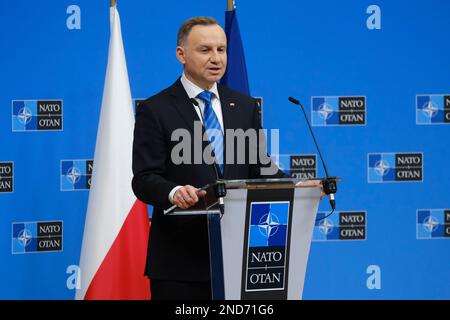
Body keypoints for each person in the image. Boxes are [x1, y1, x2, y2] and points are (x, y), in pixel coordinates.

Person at [132, 16, 285, 300]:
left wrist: (299, 188)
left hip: (241, 256)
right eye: (205, 50)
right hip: (181, 263)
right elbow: (143, 179)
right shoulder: (155, 109)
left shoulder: (244, 106)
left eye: (221, 49)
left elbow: (260, 166)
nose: (216, 58)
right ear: (181, 54)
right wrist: (174, 191)